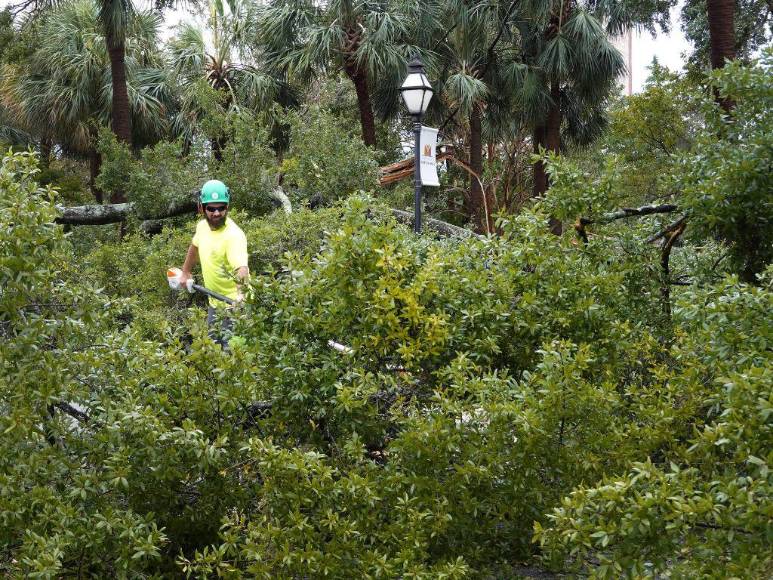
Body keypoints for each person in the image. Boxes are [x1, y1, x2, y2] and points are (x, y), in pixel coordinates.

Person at [179, 180, 248, 346]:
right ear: (201, 208)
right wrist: (186, 272)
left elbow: (241, 268)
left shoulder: (234, 235)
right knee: (214, 350)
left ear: (227, 207)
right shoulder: (202, 227)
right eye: (211, 208)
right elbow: (194, 246)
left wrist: (241, 296)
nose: (217, 213)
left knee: (233, 355)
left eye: (221, 208)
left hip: (235, 308)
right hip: (215, 304)